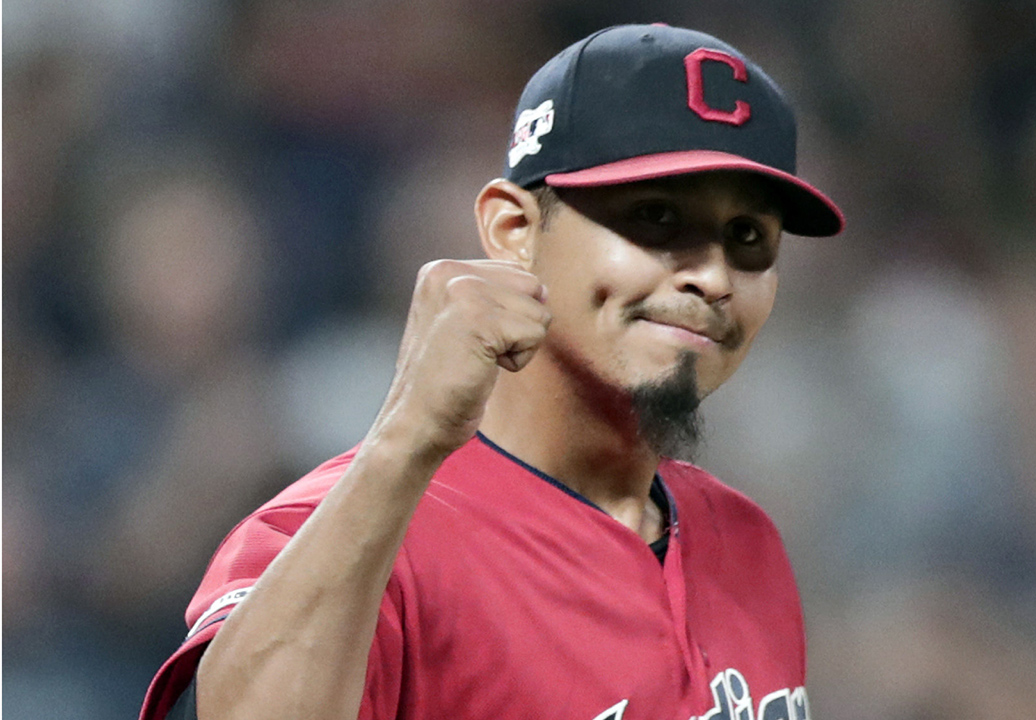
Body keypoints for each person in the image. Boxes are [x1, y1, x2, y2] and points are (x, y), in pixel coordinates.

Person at [138, 23, 844, 720]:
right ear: (513, 231)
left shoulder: (748, 542)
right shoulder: (341, 537)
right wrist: (407, 439)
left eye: (749, 237)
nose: (714, 277)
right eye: (657, 217)